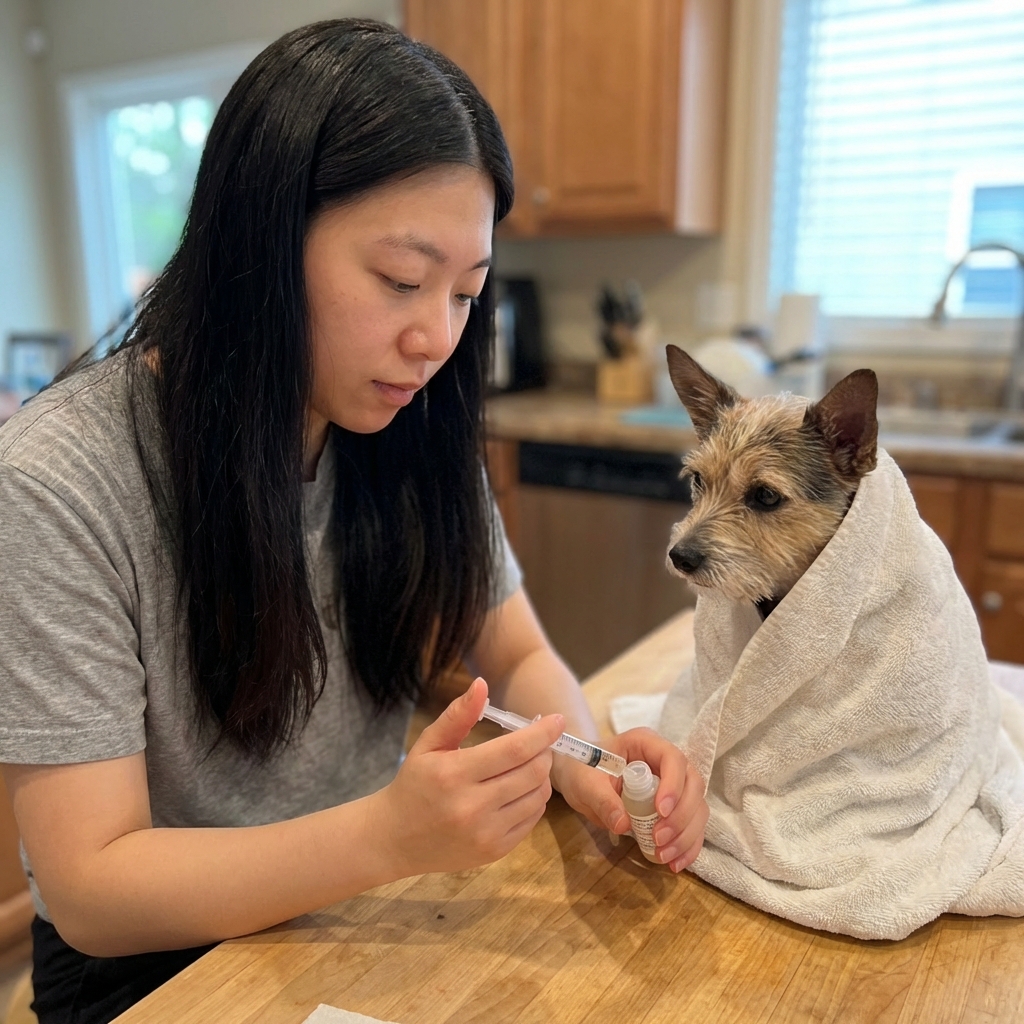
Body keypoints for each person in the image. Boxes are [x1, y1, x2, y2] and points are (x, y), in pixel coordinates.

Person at [0, 20, 708, 1024]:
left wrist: (583, 763)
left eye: (466, 293)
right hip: (159, 968)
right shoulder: (58, 479)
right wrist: (389, 835)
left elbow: (516, 655)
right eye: (399, 281)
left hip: (370, 909)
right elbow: (90, 889)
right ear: (259, 239)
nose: (434, 339)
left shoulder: (404, 421)